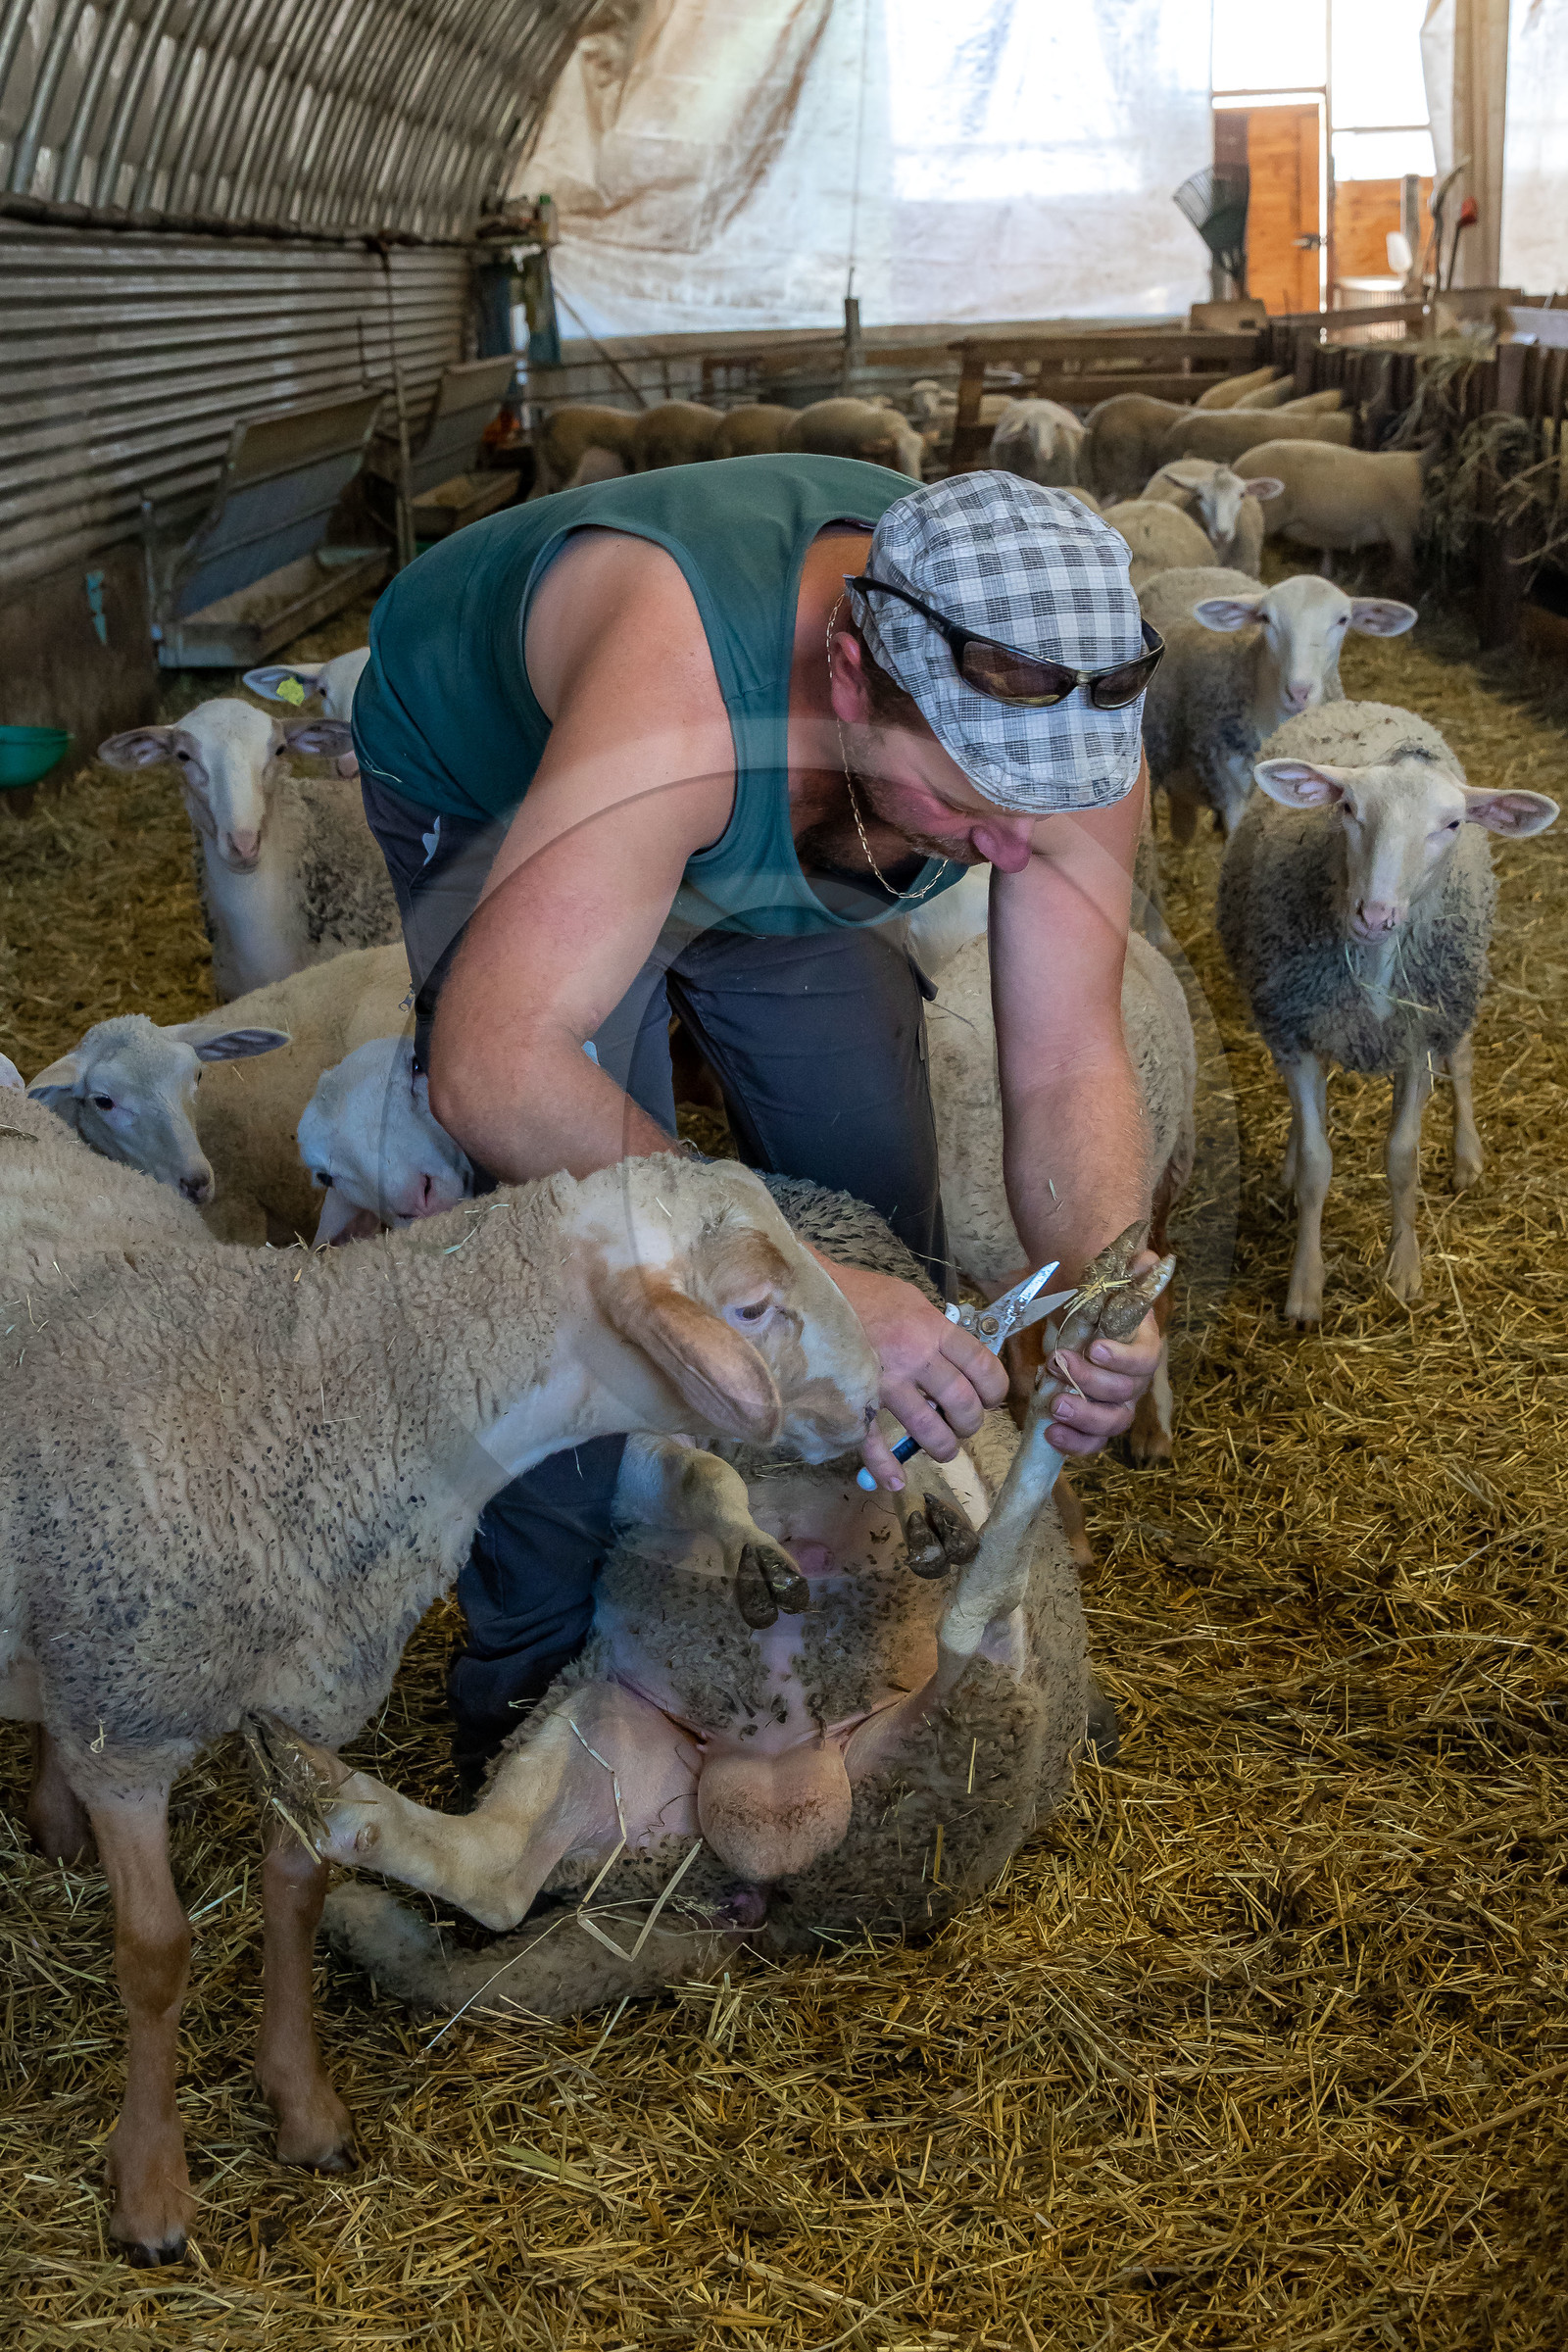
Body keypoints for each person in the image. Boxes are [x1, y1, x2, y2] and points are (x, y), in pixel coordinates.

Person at [353, 456, 1166, 1778]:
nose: (1013, 852)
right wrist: (815, 1292)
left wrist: (1105, 1284)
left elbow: (1067, 1061)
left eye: (1044, 807)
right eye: (969, 804)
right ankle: (533, 1709)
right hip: (518, 779)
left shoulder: (1062, 719)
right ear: (851, 677)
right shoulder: (676, 682)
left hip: (794, 818)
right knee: (586, 1289)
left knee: (875, 1208)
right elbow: (496, 1068)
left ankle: (843, 1646)